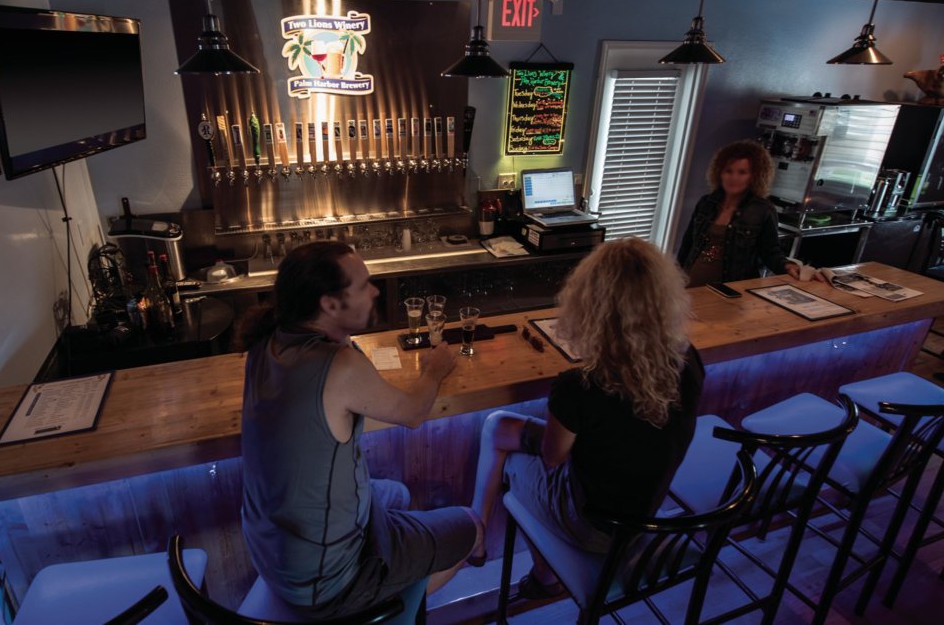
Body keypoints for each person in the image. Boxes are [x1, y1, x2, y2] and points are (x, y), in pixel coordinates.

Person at [238, 241, 482, 619]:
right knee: (474, 528)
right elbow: (413, 412)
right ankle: (387, 605)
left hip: (275, 555)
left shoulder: (265, 344)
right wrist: (434, 369)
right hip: (326, 583)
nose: (375, 291)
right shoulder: (339, 364)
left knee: (395, 493)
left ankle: (396, 581)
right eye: (363, 284)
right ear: (329, 304)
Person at [467, 238, 704, 597]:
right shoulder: (689, 362)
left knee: (506, 450)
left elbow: (553, 456)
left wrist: (532, 431)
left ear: (593, 305)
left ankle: (510, 558)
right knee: (500, 427)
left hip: (596, 526)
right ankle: (504, 554)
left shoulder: (581, 385)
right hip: (647, 515)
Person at [677, 140, 800, 287]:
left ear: (754, 176)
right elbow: (687, 245)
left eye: (742, 172)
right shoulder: (706, 203)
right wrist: (676, 277)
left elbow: (771, 252)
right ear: (719, 173)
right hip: (692, 285)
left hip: (733, 290)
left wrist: (787, 266)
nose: (733, 178)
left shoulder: (763, 210)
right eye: (728, 171)